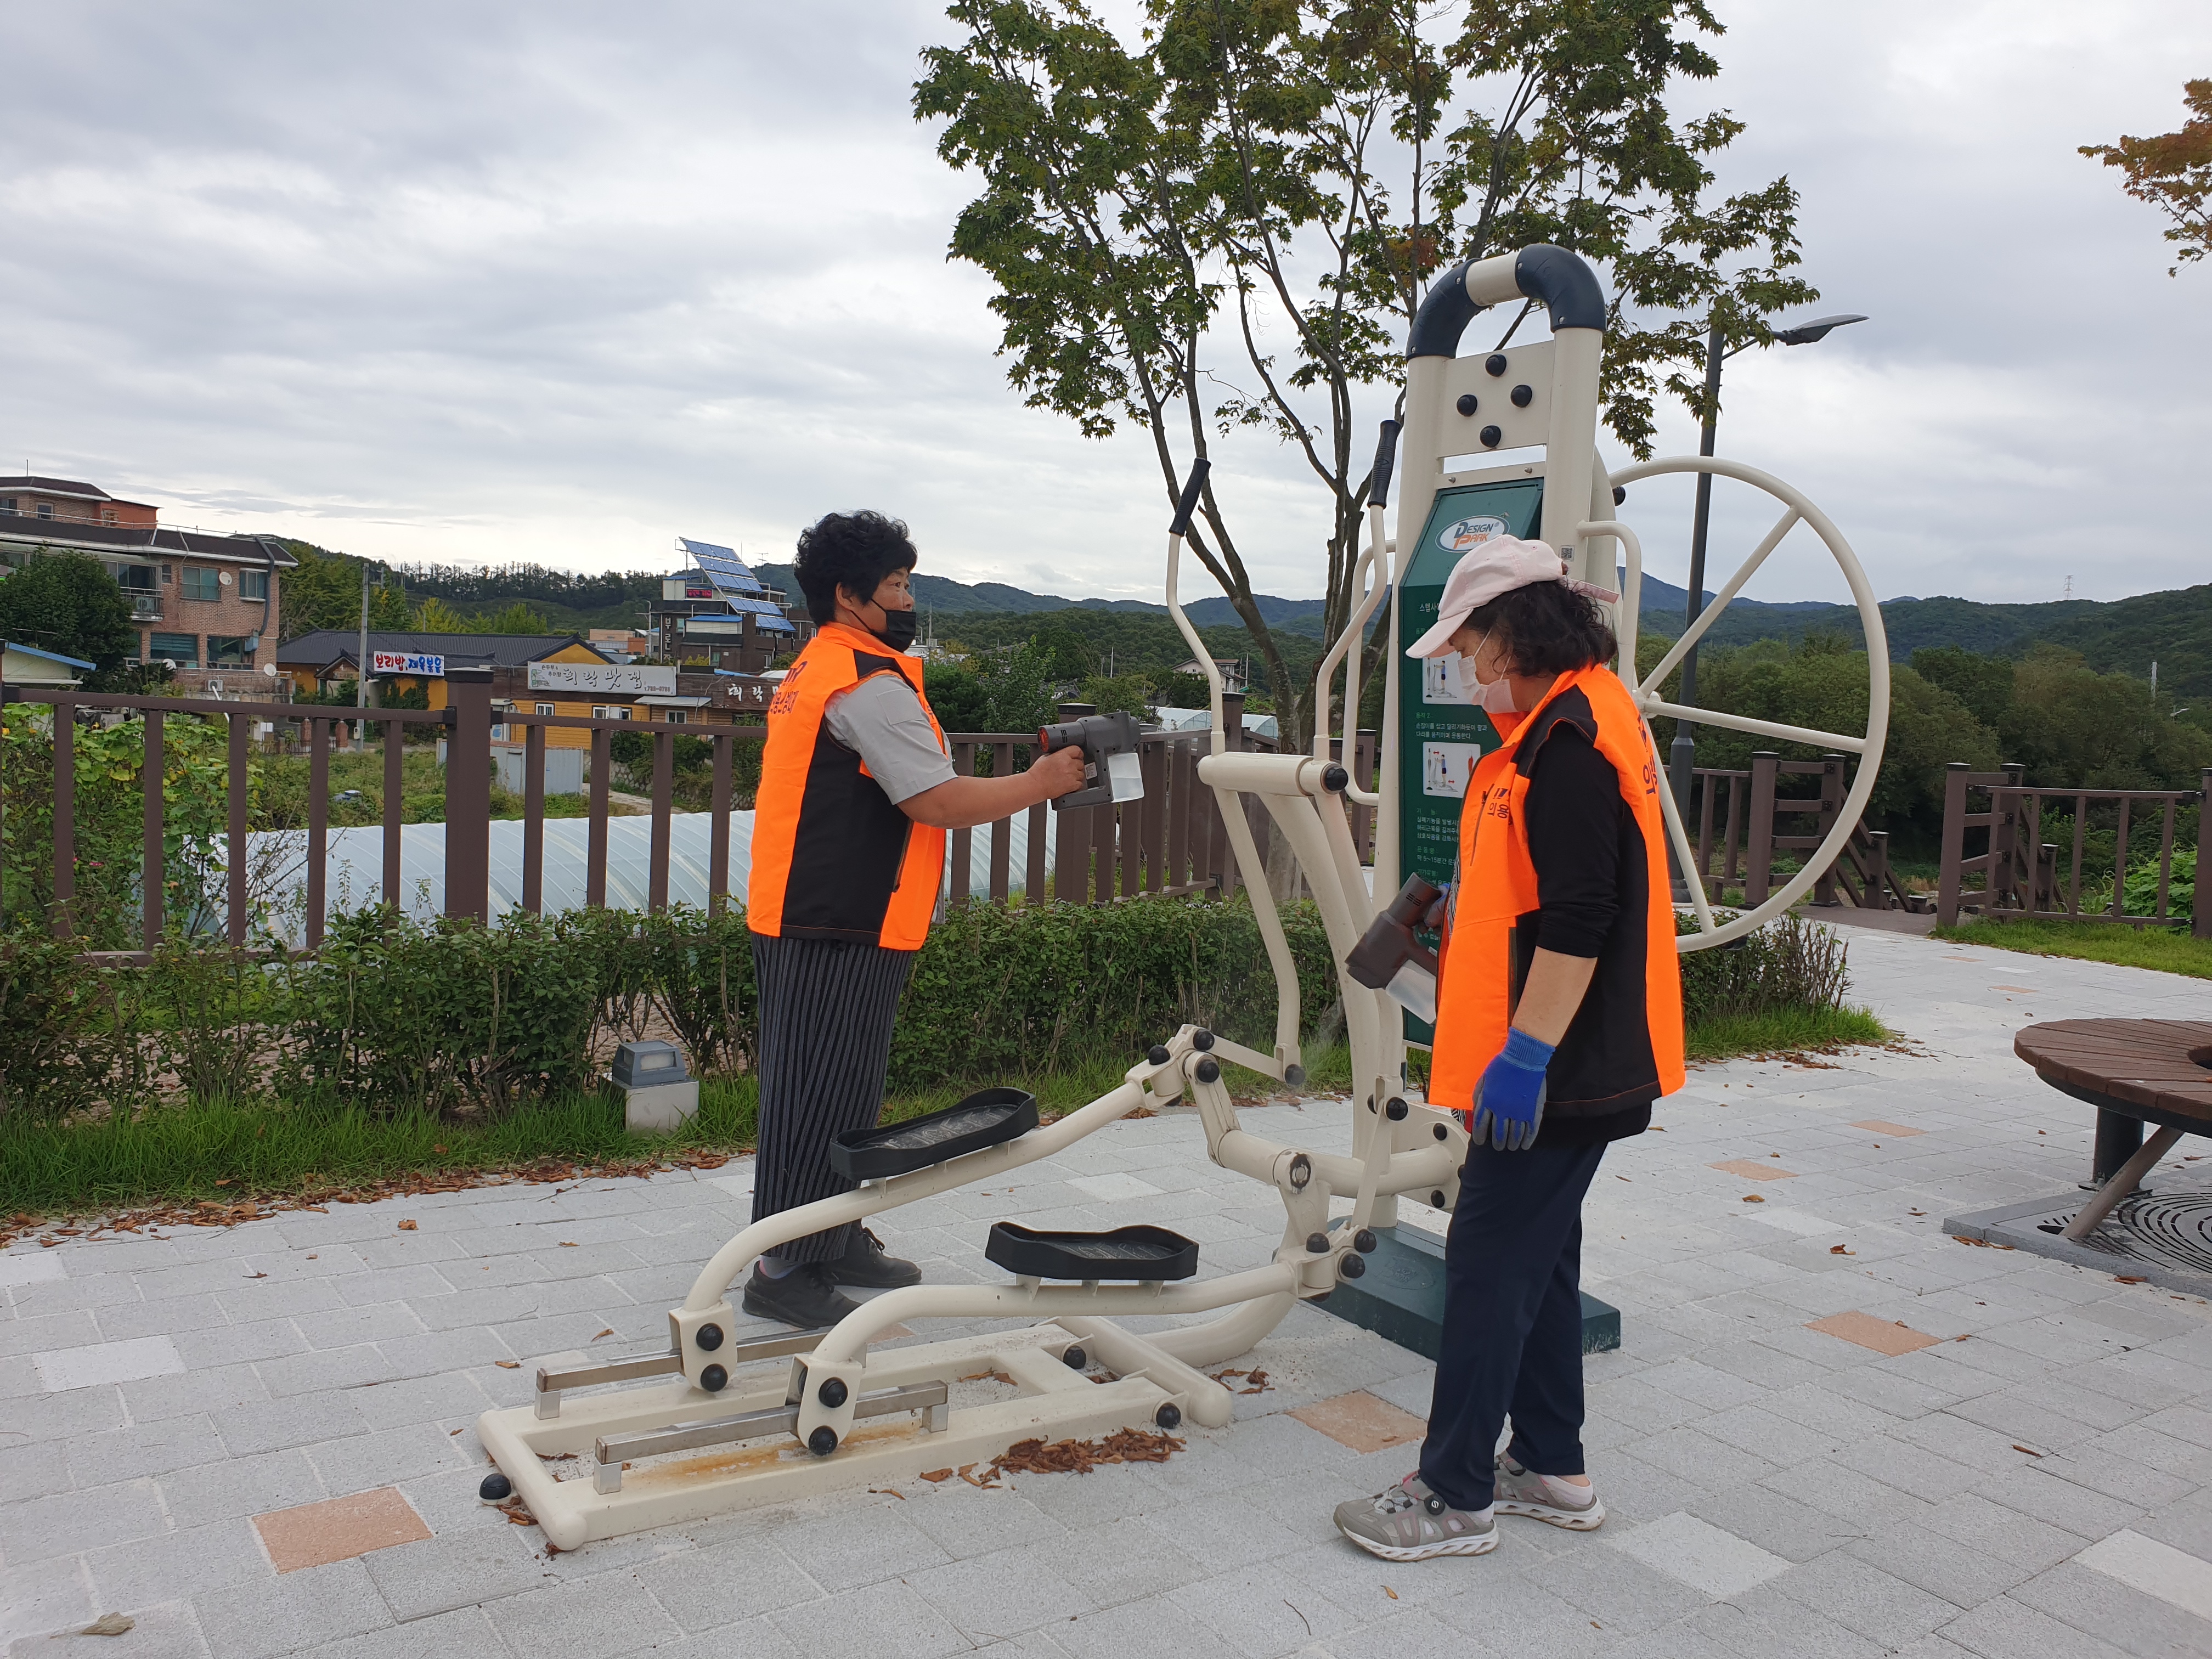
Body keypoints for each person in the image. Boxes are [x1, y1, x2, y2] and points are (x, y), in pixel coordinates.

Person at [1335, 534, 1684, 1561]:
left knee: (1488, 1266)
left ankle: (1454, 1497)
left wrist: (1526, 1057)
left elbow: (1581, 918)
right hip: (1574, 1056)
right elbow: (1550, 898)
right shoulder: (1567, 724)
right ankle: (1551, 1468)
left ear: (1514, 633)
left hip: (1560, 1068)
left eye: (1470, 643)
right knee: (1542, 1260)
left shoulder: (1567, 746)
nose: (1465, 664)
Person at [742, 511, 1087, 1328]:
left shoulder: (820, 666)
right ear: (848, 594)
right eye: (895, 585)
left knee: (837, 1085)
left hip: (818, 907)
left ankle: (832, 1236)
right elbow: (935, 800)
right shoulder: (864, 682)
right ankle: (784, 1268)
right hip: (836, 914)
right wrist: (1042, 782)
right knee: (817, 1093)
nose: (906, 599)